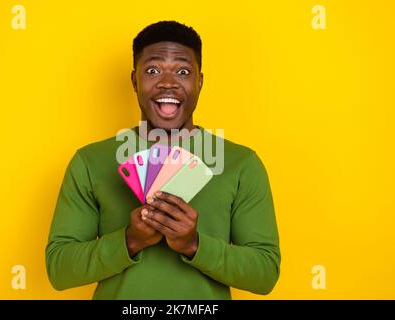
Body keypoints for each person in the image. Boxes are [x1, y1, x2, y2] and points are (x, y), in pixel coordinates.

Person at [45, 20, 281, 299]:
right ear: (134, 81)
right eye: (153, 70)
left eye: (182, 71)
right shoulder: (90, 161)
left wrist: (194, 245)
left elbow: (264, 274)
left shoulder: (241, 164)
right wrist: (130, 240)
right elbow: (59, 270)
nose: (167, 82)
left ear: (200, 82)